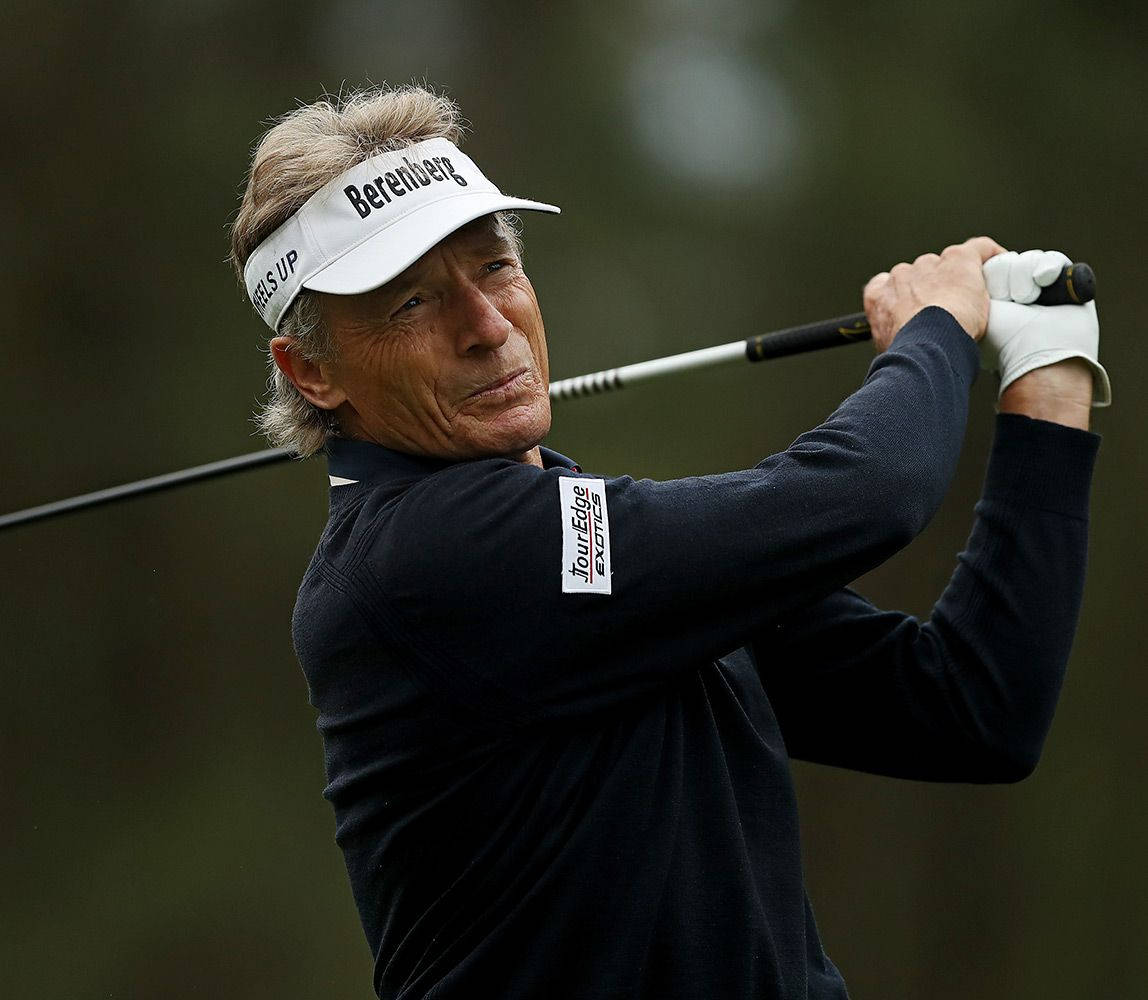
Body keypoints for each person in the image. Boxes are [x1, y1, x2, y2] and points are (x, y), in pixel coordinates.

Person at [228, 85, 1109, 999]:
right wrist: (933, 329)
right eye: (412, 303)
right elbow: (869, 493)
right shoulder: (425, 560)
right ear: (313, 371)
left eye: (494, 269)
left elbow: (973, 710)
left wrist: (1048, 380)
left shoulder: (585, 548)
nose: (488, 328)